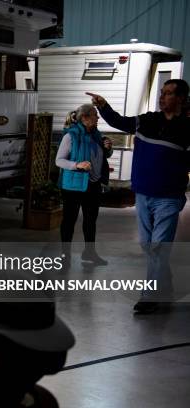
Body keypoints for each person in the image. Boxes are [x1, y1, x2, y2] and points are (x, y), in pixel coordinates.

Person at [87, 79, 190, 314]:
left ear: (181, 99)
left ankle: (150, 296)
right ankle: (167, 287)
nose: (163, 97)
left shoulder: (187, 129)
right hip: (143, 194)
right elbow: (119, 122)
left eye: (169, 94)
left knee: (157, 248)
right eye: (162, 93)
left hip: (169, 197)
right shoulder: (147, 121)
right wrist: (103, 106)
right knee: (149, 246)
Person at [55, 104, 113, 267]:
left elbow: (99, 156)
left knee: (90, 221)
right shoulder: (71, 136)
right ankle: (65, 257)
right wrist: (77, 165)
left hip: (93, 184)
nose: (98, 118)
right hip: (73, 186)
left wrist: (108, 149)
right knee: (69, 221)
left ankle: (89, 253)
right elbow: (59, 160)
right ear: (85, 118)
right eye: (95, 115)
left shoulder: (96, 135)